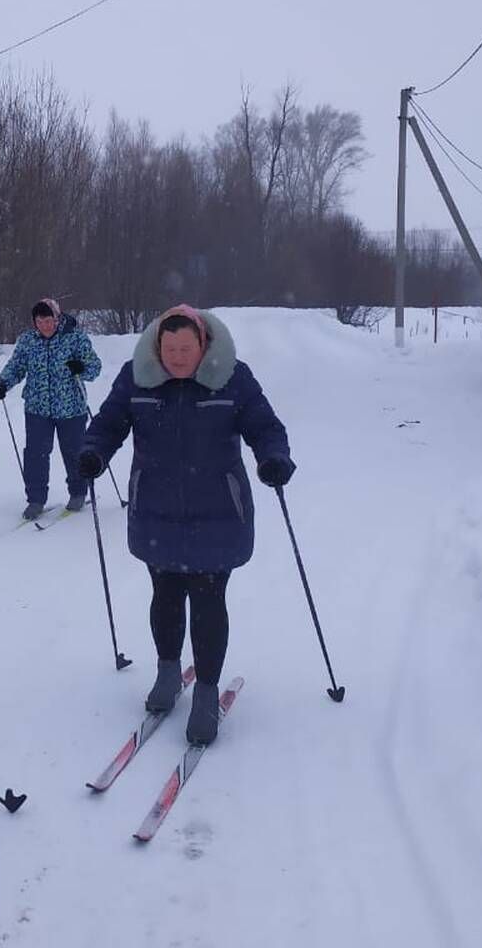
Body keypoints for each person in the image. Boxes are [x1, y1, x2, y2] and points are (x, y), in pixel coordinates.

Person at [78, 305, 293, 747]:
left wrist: (273, 458)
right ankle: (168, 671)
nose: (177, 357)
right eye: (170, 348)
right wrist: (94, 452)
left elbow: (264, 425)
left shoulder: (233, 377)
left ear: (203, 345)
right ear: (158, 346)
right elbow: (109, 422)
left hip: (218, 510)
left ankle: (207, 691)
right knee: (166, 594)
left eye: (186, 348)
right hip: (156, 510)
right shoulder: (136, 376)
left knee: (209, 599)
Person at [0, 297, 102, 520]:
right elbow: (16, 367)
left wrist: (81, 368)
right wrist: (3, 381)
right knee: (35, 454)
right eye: (39, 321)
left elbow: (94, 367)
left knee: (73, 452)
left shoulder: (75, 338)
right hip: (37, 408)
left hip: (71, 408)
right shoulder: (28, 341)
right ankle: (36, 499)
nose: (44, 325)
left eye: (48, 320)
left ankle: (78, 491)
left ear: (57, 318)